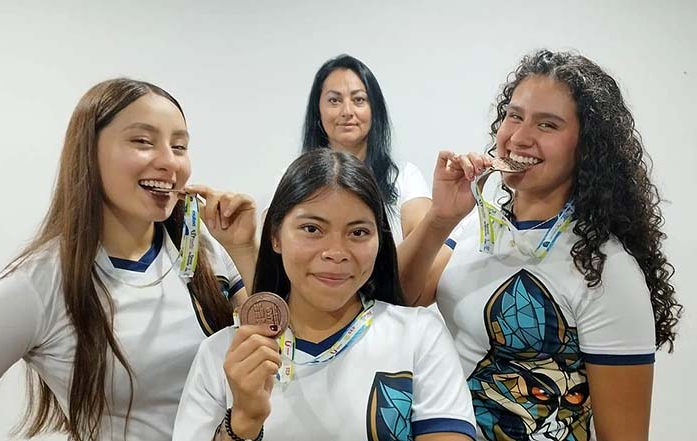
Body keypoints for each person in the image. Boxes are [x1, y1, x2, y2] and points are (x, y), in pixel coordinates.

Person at [0, 78, 259, 440]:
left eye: (179, 146)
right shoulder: (36, 286)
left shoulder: (205, 249)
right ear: (88, 151)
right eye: (142, 141)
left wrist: (243, 250)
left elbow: (278, 356)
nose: (169, 162)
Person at [400, 50, 682, 440]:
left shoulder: (605, 267)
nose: (519, 137)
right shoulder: (477, 227)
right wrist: (440, 218)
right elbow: (401, 297)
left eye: (547, 125)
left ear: (586, 147)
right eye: (514, 116)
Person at [173, 149, 476, 441]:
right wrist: (242, 423)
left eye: (358, 232)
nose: (336, 253)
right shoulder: (222, 354)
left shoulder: (419, 337)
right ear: (275, 236)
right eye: (312, 229)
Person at [298, 54, 433, 243]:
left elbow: (425, 255)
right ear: (318, 111)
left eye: (359, 100)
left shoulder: (405, 177)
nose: (347, 112)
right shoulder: (291, 179)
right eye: (334, 101)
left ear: (374, 109)